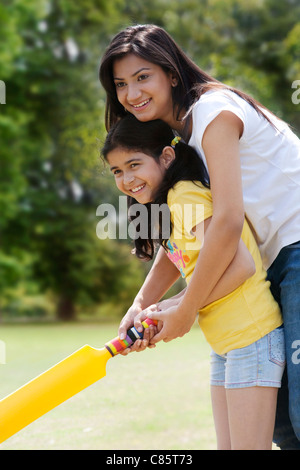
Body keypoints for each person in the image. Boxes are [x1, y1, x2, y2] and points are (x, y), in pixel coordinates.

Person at [99, 24, 300, 449]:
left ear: (172, 74)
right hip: (275, 257)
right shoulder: (181, 144)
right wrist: (141, 304)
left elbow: (226, 223)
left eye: (142, 77)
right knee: (283, 426)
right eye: (120, 84)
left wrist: (185, 309)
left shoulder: (213, 113)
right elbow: (181, 244)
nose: (131, 94)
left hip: (296, 246)